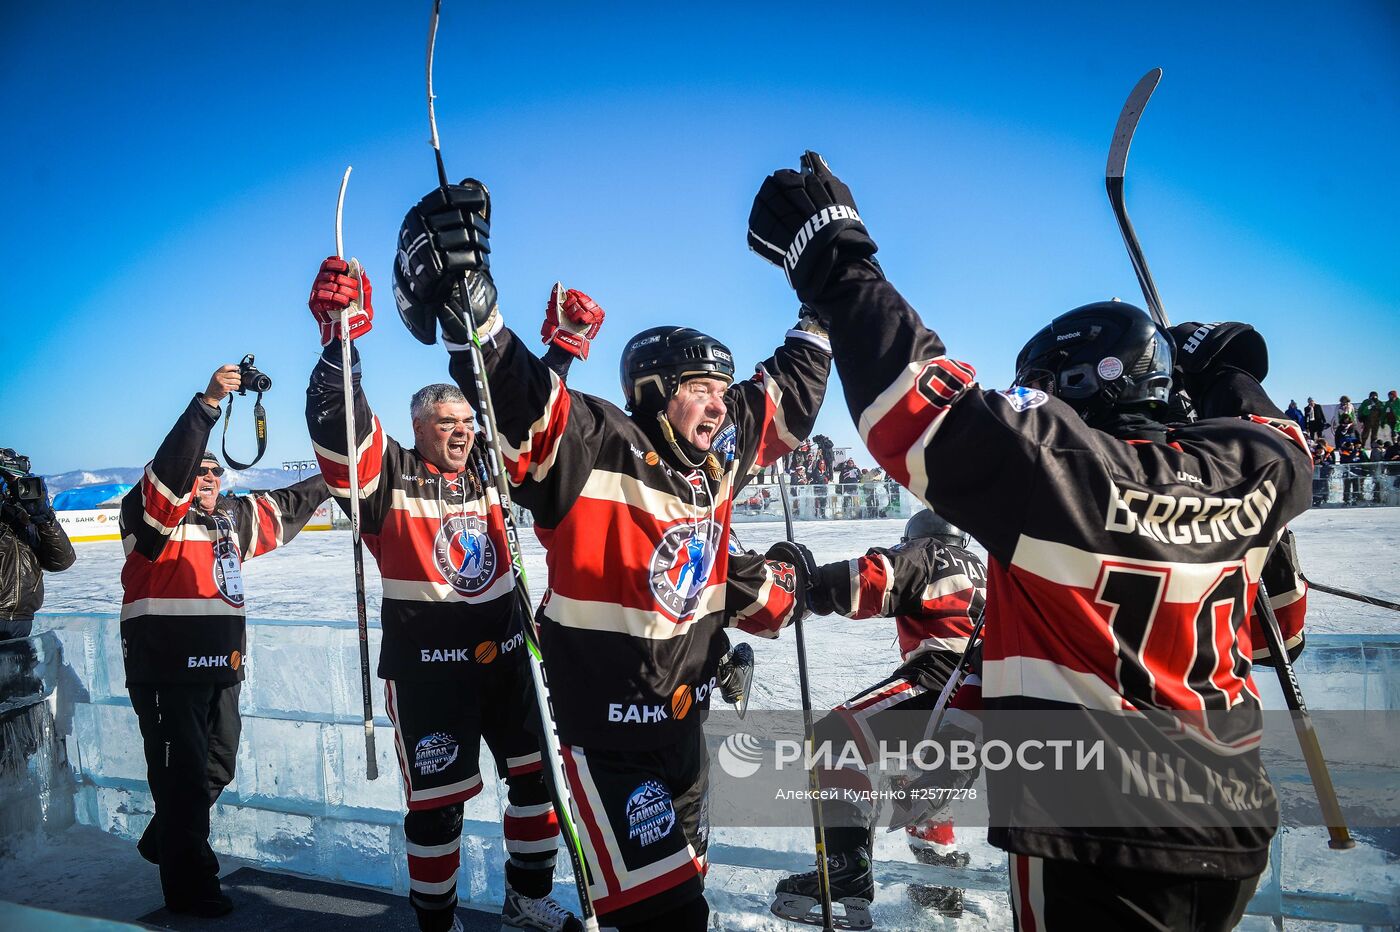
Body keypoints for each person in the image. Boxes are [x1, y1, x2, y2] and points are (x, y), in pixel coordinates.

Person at [747, 153, 1312, 931]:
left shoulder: (1066, 483)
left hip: (1094, 836)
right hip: (1231, 826)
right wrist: (1223, 378)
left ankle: (859, 866)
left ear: (1080, 385)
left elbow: (913, 407)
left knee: (844, 745)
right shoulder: (1256, 474)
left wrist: (834, 253)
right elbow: (1288, 625)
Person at [390, 178, 831, 931]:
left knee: (680, 899)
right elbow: (516, 392)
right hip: (610, 747)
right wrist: (472, 298)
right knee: (668, 918)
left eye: (723, 388)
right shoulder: (596, 444)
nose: (720, 403)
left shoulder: (717, 459)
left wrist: (824, 303)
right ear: (655, 392)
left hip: (684, 735)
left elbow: (789, 389)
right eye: (700, 387)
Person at [305, 259, 603, 932]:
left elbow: (532, 418)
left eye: (467, 420)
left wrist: (563, 348)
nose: (463, 430)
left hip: (508, 658)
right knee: (439, 806)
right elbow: (338, 431)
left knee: (538, 784)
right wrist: (338, 343)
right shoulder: (389, 478)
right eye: (447, 422)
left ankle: (527, 895)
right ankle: (436, 921)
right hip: (429, 672)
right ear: (417, 427)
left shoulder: (491, 472)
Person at [120, 367, 328, 917]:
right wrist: (209, 405)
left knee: (217, 767)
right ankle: (192, 890)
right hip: (167, 669)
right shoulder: (150, 519)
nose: (207, 476)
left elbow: (287, 506)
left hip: (220, 668)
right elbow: (171, 470)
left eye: (215, 471)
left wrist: (334, 471)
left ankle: (166, 839)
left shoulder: (231, 521)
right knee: (182, 779)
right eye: (199, 469)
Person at [770, 508, 987, 926]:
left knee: (833, 739)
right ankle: (938, 879)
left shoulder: (930, 554)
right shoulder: (983, 573)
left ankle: (845, 866)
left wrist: (813, 582)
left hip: (936, 681)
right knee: (914, 771)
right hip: (976, 691)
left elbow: (874, 578)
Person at [0, 448, 75, 640]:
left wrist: (44, 518)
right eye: (7, 480)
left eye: (16, 481)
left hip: (21, 621)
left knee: (19, 670)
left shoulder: (25, 517)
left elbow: (61, 561)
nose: (12, 488)